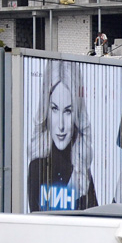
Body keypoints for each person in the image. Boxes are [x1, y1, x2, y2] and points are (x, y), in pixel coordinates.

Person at [27, 60, 98, 211]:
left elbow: (97, 222)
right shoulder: (36, 168)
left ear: (76, 114)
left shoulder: (81, 166)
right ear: (46, 110)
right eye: (54, 109)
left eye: (68, 111)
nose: (61, 125)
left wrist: (119, 190)